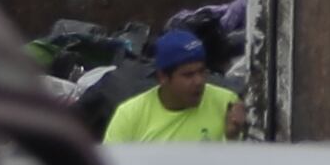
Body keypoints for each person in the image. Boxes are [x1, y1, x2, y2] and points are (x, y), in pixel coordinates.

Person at [102, 28, 242, 146]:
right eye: (188, 75)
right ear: (163, 77)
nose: (199, 81)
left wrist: (232, 138)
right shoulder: (130, 115)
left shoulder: (226, 104)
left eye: (201, 71)